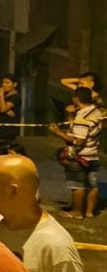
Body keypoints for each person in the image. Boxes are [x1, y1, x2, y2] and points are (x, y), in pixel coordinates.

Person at [49, 86, 101, 219]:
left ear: (76, 98)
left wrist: (58, 132)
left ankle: (77, 212)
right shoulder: (95, 112)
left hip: (80, 157)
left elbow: (79, 140)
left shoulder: (83, 116)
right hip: (93, 154)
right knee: (92, 185)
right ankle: (89, 212)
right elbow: (77, 128)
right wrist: (71, 115)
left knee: (77, 185)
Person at [0, 74, 20, 147]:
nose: (4, 85)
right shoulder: (3, 96)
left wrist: (1, 97)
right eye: (3, 82)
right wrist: (5, 110)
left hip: (8, 132)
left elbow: (3, 109)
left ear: (14, 84)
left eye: (7, 82)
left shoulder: (16, 97)